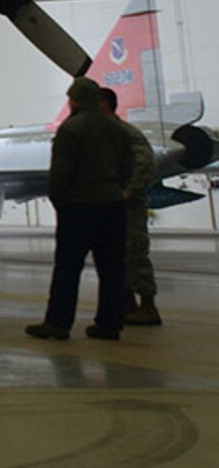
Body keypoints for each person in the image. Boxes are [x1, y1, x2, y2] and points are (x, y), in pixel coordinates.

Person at [27, 76, 135, 341]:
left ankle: (58, 323)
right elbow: (127, 168)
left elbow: (61, 173)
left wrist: (59, 200)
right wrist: (116, 190)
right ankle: (110, 325)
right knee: (112, 268)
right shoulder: (119, 129)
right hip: (112, 205)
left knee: (68, 266)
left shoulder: (71, 129)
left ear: (74, 100)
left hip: (79, 206)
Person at [99, 86, 161, 326]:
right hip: (110, 205)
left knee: (135, 254)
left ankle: (148, 306)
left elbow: (144, 163)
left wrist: (128, 192)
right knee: (115, 257)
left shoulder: (126, 133)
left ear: (105, 105)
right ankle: (127, 305)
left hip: (129, 206)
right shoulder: (103, 134)